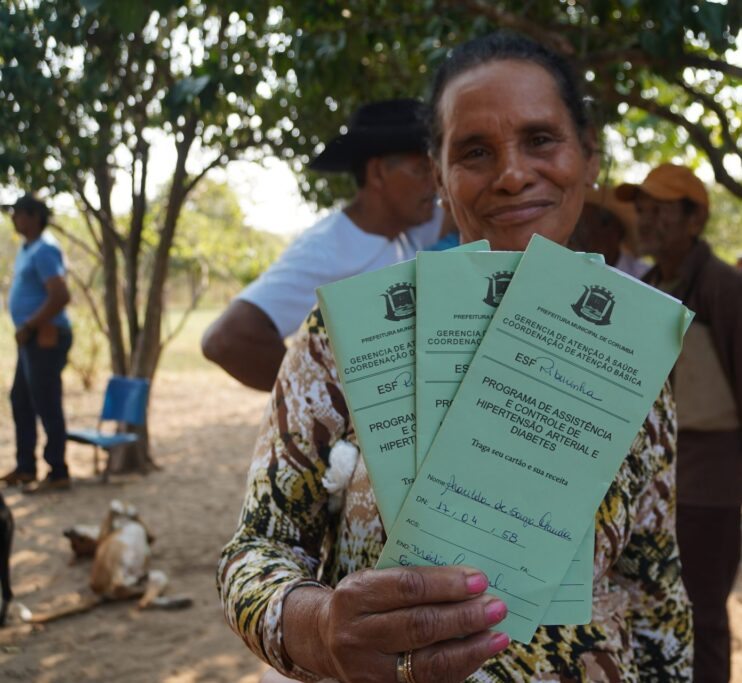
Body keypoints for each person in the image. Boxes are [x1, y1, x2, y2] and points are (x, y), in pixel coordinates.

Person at [219, 33, 693, 683]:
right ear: (440, 176)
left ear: (588, 158)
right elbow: (257, 549)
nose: (512, 173)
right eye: (474, 151)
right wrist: (320, 626)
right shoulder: (345, 338)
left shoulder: (630, 344)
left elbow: (654, 584)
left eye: (540, 139)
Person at [617, 164, 742, 683]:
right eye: (642, 210)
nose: (647, 221)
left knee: (703, 615)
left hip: (708, 479)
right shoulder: (651, 284)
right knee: (659, 608)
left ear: (695, 219)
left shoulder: (725, 288)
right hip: (656, 482)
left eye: (661, 210)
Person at [201, 99, 442, 391]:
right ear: (378, 173)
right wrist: (337, 398)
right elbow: (226, 339)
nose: (436, 183)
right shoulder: (324, 250)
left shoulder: (411, 230)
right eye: (421, 170)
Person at [2, 195, 73, 493]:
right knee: (21, 399)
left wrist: (30, 324)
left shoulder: (45, 249)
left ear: (33, 216)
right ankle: (26, 466)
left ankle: (57, 470)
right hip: (30, 338)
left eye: (18, 214)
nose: (14, 219)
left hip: (44, 336)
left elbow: (60, 295)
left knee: (46, 402)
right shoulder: (26, 248)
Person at [570, 185, 649, 278]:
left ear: (615, 230)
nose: (577, 235)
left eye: (584, 226)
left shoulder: (644, 278)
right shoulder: (570, 267)